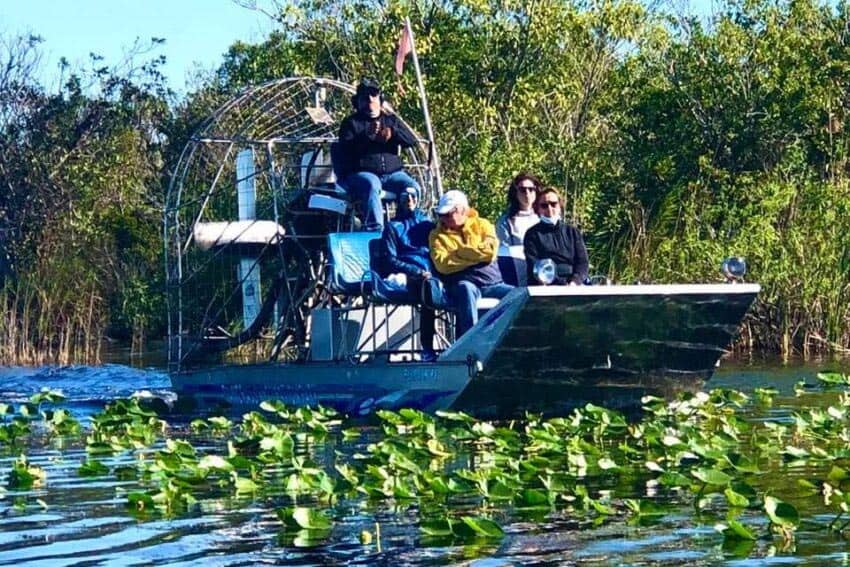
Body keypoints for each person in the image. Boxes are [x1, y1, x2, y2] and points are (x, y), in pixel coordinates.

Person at [337, 78, 421, 232]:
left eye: (373, 95)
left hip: (393, 174)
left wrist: (393, 133)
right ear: (358, 102)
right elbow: (344, 150)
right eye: (365, 96)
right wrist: (365, 137)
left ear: (380, 99)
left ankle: (408, 226)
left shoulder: (391, 120)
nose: (370, 99)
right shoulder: (350, 123)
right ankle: (375, 231)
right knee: (372, 185)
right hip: (362, 174)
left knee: (412, 187)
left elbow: (411, 141)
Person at [429, 190, 513, 338]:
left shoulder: (483, 225)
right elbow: (442, 264)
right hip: (463, 284)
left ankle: (512, 338)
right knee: (465, 289)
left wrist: (458, 253)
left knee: (519, 295)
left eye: (449, 214)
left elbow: (490, 252)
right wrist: (476, 255)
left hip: (492, 283)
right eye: (441, 215)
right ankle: (470, 340)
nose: (444, 219)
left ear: (462, 209)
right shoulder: (436, 235)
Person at [371, 187, 437, 359]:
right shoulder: (393, 228)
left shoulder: (427, 224)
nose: (409, 200)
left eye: (412, 197)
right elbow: (390, 261)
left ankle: (463, 342)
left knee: (459, 284)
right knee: (427, 288)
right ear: (399, 201)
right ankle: (427, 348)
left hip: (433, 270)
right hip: (410, 275)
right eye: (405, 197)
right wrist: (415, 271)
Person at [523, 187, 589, 285]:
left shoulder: (573, 232)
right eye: (544, 205)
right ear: (538, 209)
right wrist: (562, 284)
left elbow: (583, 262)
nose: (549, 209)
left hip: (574, 285)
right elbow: (534, 265)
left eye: (553, 204)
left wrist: (574, 282)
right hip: (545, 284)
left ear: (560, 206)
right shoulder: (532, 234)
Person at [495, 173, 541, 246]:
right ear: (515, 193)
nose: (527, 193)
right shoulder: (505, 222)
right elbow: (505, 251)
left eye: (531, 189)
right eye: (522, 190)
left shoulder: (545, 218)